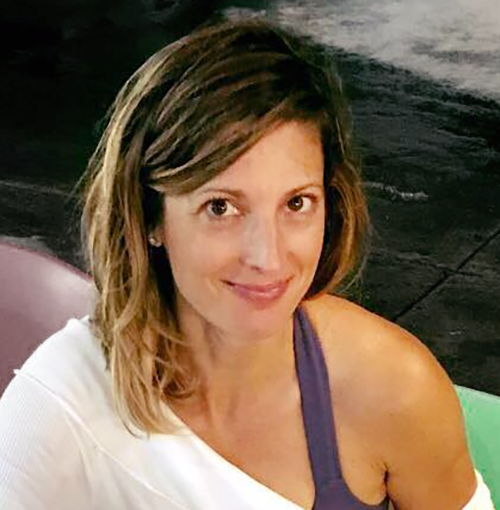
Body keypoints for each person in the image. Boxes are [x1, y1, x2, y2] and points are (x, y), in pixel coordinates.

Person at [0, 17, 495, 510]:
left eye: (297, 203)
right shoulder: (63, 399)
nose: (267, 256)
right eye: (221, 207)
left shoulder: (393, 388)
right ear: (150, 218)